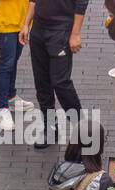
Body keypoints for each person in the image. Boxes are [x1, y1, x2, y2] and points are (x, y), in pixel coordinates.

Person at [20, 0, 88, 149]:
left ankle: (84, 131)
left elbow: (82, 3)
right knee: (41, 82)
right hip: (38, 29)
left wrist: (75, 33)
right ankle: (51, 129)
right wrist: (26, 24)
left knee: (61, 83)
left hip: (61, 29)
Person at [0, 0, 35, 131]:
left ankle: (11, 96)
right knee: (7, 63)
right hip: (6, 19)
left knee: (14, 59)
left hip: (23, 19)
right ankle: (2, 108)